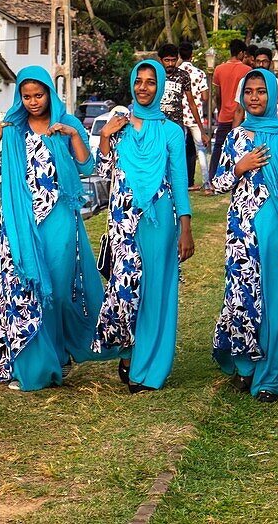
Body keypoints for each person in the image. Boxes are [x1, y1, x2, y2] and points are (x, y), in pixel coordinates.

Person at [0, 65, 109, 391]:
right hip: (21, 220)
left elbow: (87, 165)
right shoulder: (12, 128)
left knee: (57, 291)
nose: (32, 102)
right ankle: (40, 367)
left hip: (59, 217)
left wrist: (73, 136)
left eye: (38, 95)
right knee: (28, 291)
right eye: (26, 96)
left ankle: (64, 352)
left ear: (49, 93)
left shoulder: (65, 123)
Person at [212, 69, 278, 401]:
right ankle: (246, 367)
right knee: (243, 298)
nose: (255, 97)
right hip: (242, 232)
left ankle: (271, 377)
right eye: (249, 92)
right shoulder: (235, 137)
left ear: (273, 96)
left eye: (261, 91)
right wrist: (238, 167)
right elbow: (217, 184)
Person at [92, 60, 194, 392]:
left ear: (160, 86)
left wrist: (186, 225)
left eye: (151, 82)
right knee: (124, 288)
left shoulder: (171, 131)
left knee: (155, 291)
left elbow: (179, 180)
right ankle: (127, 351)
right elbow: (104, 170)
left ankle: (149, 367)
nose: (144, 87)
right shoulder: (117, 125)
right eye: (139, 81)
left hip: (159, 218)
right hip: (122, 218)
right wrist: (105, 137)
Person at [209, 39, 250, 184]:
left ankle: (213, 178)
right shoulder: (247, 70)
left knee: (218, 148)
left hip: (224, 115)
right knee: (241, 149)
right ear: (240, 53)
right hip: (241, 116)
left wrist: (220, 110)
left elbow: (218, 94)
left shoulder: (219, 69)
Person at [178, 41, 210, 192]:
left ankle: (178, 183)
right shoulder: (199, 73)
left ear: (179, 55)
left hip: (177, 116)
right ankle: (206, 182)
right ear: (192, 55)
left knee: (176, 150)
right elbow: (204, 96)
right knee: (200, 150)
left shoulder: (175, 73)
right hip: (194, 116)